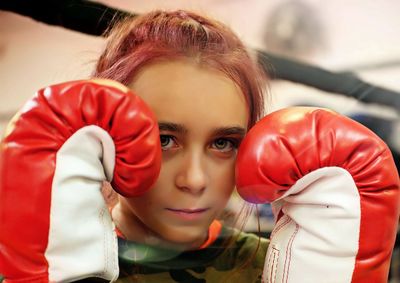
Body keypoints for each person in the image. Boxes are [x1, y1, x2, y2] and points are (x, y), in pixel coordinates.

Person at [0, 9, 399, 283]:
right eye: (164, 139)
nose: (194, 180)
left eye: (223, 143)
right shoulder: (40, 265)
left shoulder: (278, 270)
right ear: (104, 136)